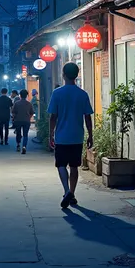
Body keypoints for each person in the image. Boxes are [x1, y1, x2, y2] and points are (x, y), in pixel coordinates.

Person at [48, 62, 93, 209]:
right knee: (74, 166)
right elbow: (87, 117)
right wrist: (90, 135)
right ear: (77, 75)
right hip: (77, 136)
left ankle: (66, 191)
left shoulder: (57, 93)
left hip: (61, 136)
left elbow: (53, 116)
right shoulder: (82, 94)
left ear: (63, 74)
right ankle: (72, 194)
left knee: (61, 165)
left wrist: (51, 134)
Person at [12, 89, 34, 154]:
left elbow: (13, 112)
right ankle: (24, 146)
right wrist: (29, 118)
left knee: (18, 133)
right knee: (25, 134)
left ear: (20, 95)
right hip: (26, 121)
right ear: (26, 95)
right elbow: (32, 113)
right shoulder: (29, 104)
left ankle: (18, 145)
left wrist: (14, 118)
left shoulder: (16, 103)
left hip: (18, 120)